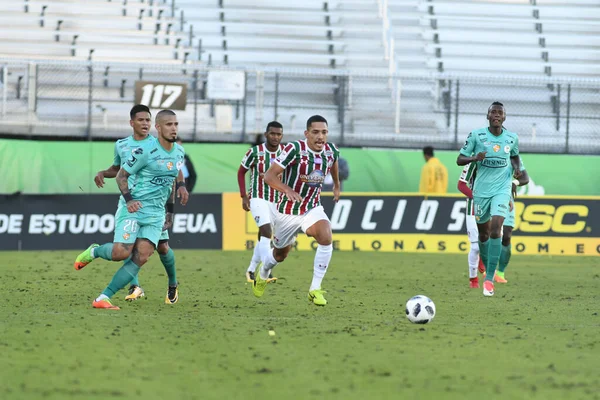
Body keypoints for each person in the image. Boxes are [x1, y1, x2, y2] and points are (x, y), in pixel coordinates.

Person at [75, 109, 187, 309]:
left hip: (155, 213)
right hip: (133, 208)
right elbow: (120, 175)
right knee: (121, 253)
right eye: (169, 124)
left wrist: (170, 211)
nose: (174, 128)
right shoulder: (144, 151)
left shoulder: (179, 152)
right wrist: (128, 200)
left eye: (176, 124)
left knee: (143, 255)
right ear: (158, 128)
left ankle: (103, 298)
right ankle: (96, 251)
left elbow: (170, 182)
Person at [253, 115, 340, 306]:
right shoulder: (295, 149)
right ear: (306, 133)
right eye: (315, 132)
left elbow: (333, 161)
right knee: (279, 255)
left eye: (324, 132)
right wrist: (287, 189)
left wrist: (336, 185)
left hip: (311, 207)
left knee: (326, 236)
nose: (320, 137)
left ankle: (314, 289)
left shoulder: (330, 150)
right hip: (286, 210)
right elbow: (269, 176)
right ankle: (263, 272)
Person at [457, 102, 522, 297]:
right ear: (488, 116)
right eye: (493, 112)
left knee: (497, 227)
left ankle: (489, 279)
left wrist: (517, 170)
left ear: (504, 118)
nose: (496, 115)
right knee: (483, 235)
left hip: (501, 190)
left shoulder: (512, 138)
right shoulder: (477, 135)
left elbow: (516, 157)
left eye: (499, 112)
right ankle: (485, 270)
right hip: (481, 192)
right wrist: (475, 158)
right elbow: (460, 159)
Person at [237, 121, 285, 283]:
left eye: (278, 134)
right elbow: (241, 172)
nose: (275, 137)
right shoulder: (255, 152)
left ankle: (251, 270)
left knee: (263, 237)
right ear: (266, 134)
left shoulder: (286, 153)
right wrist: (244, 196)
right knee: (266, 232)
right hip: (257, 197)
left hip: (277, 201)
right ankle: (266, 270)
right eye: (272, 133)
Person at [487, 158, 529, 283]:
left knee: (506, 235)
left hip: (506, 198)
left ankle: (500, 272)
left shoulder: (514, 158)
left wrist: (514, 183)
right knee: (491, 233)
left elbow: (525, 178)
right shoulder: (490, 154)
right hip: (488, 196)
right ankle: (489, 270)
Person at [457, 162, 486, 289]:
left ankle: (484, 261)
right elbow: (461, 185)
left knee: (495, 239)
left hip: (492, 205)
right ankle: (473, 280)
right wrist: (477, 197)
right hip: (473, 208)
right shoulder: (473, 162)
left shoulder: (498, 161)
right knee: (475, 247)